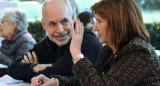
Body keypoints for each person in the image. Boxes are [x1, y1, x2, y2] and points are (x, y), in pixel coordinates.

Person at [31, 0, 160, 86]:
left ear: (117, 23)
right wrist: (55, 82)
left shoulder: (138, 52)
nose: (95, 28)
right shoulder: (110, 49)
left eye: (99, 21)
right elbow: (88, 79)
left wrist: (77, 54)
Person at [8, 0, 102, 83]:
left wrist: (28, 74)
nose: (60, 30)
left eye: (64, 21)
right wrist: (35, 67)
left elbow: (61, 74)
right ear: (44, 24)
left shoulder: (86, 41)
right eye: (52, 24)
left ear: (72, 18)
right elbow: (13, 68)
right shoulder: (48, 42)